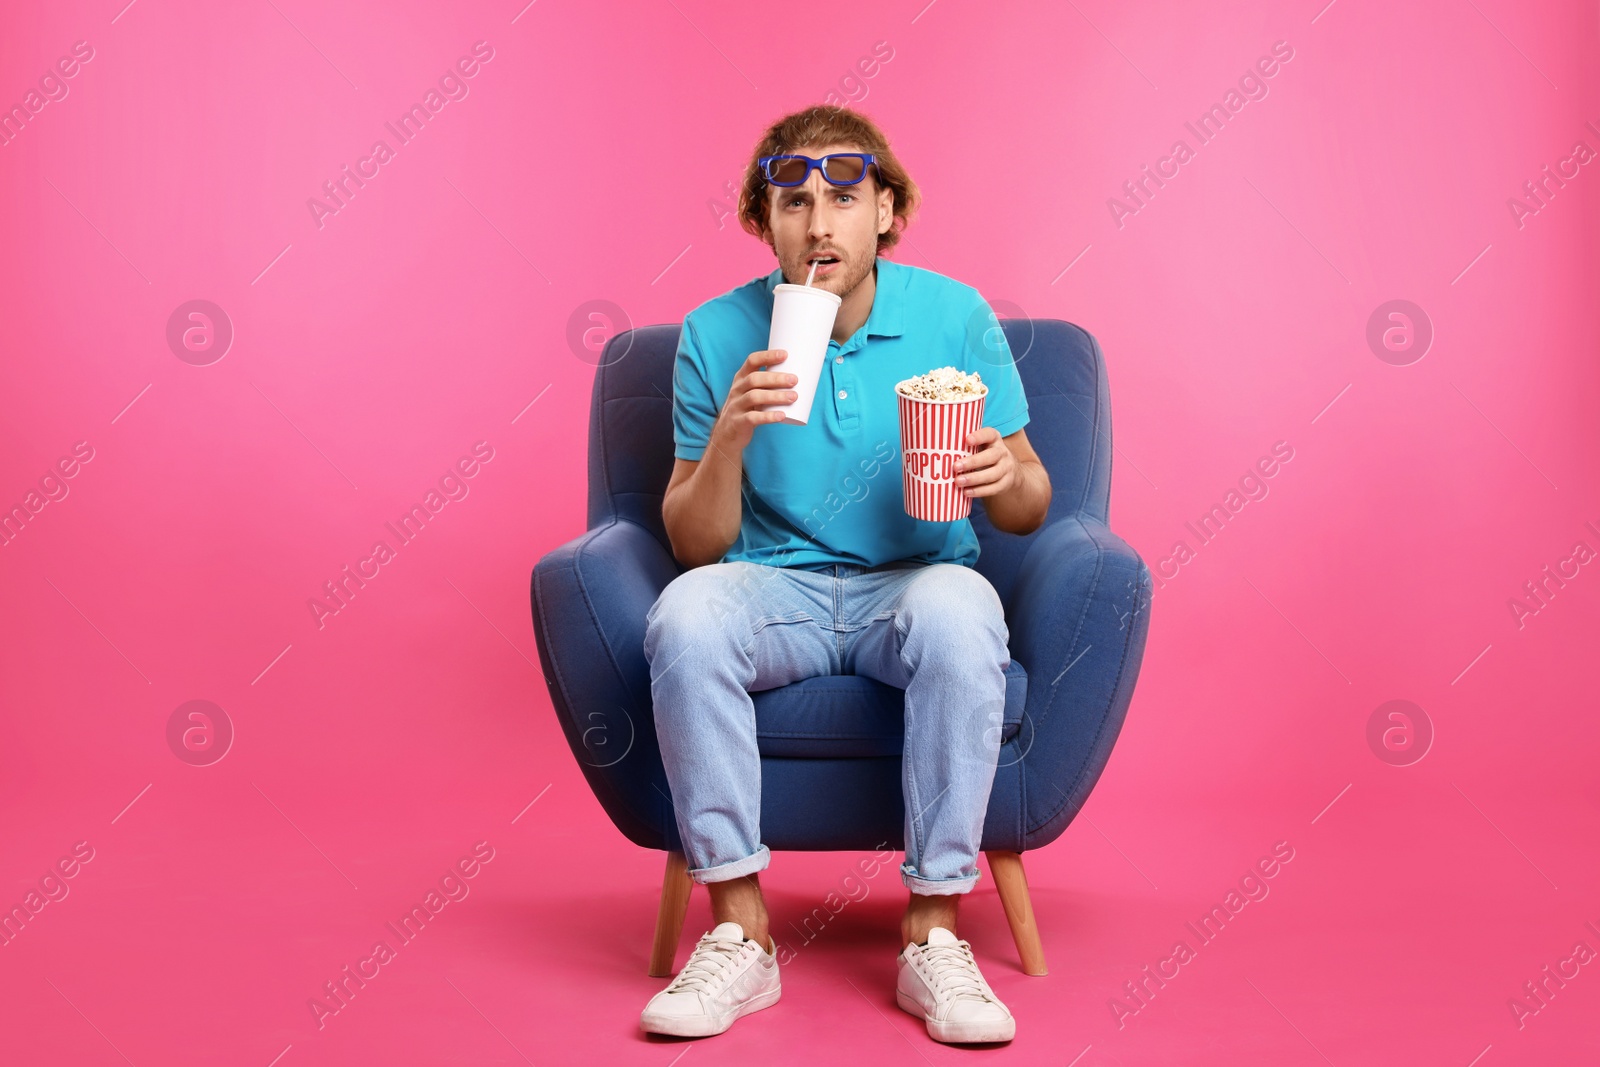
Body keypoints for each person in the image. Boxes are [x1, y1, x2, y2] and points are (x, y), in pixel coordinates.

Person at [639, 104, 1051, 1045]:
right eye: (792, 203)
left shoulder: (955, 314)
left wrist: (1004, 473)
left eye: (844, 196)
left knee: (964, 609)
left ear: (887, 211)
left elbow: (1032, 499)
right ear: (763, 221)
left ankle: (934, 933)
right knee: (683, 615)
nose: (818, 224)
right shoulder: (714, 335)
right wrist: (730, 437)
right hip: (770, 587)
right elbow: (694, 543)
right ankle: (740, 934)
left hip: (913, 581)